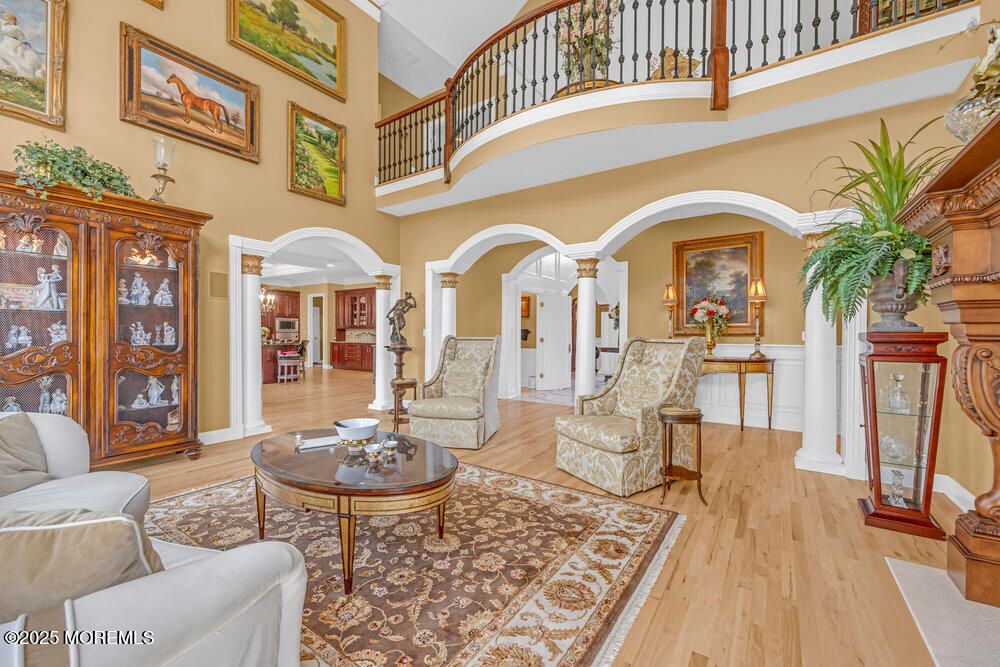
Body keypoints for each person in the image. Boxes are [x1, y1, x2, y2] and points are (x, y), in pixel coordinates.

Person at [0, 11, 46, 81]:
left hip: (13, 44)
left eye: (5, 16)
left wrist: (15, 46)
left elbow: (23, 39)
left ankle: (18, 73)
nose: (4, 18)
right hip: (4, 42)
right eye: (4, 17)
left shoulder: (17, 28)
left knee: (17, 59)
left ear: (10, 18)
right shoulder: (4, 25)